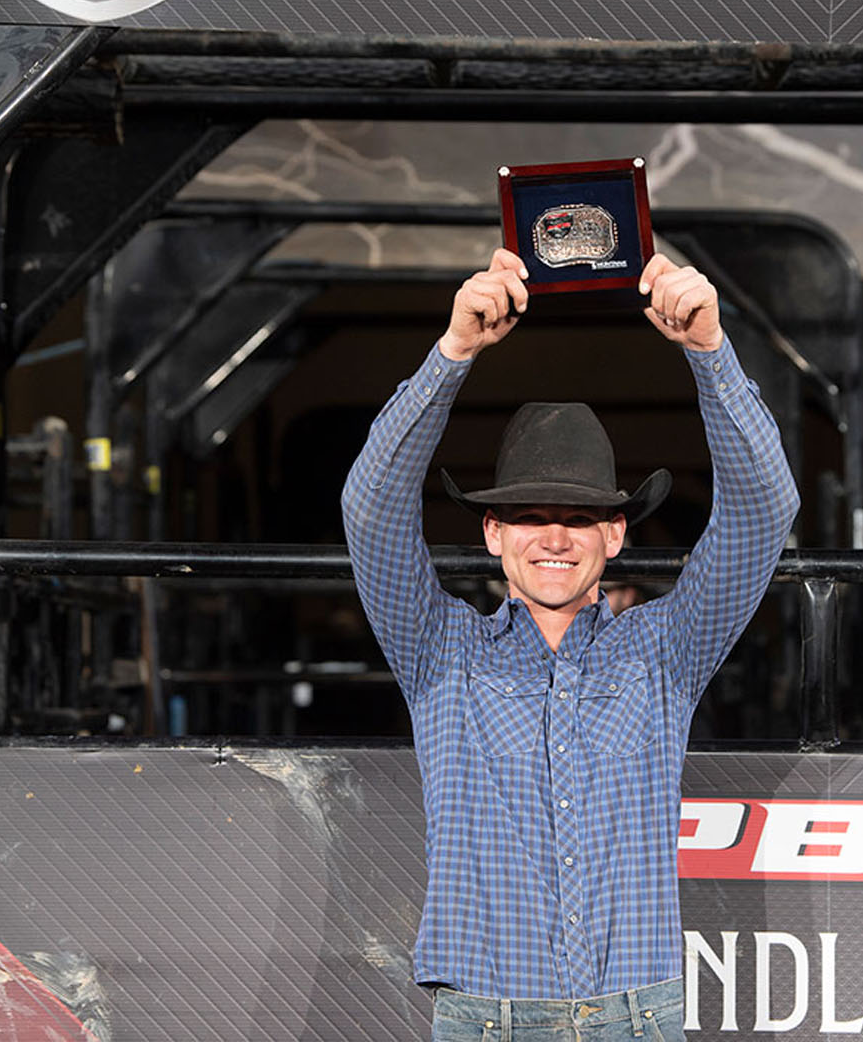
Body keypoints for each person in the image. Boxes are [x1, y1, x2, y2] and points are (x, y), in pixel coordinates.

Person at [341, 248, 799, 1040]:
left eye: (579, 517)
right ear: (492, 533)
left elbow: (764, 511)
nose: (554, 536)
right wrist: (452, 354)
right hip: (486, 1018)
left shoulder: (665, 651)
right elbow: (370, 509)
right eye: (529, 515)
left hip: (636, 1015)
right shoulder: (440, 650)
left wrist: (710, 352)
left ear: (615, 534)